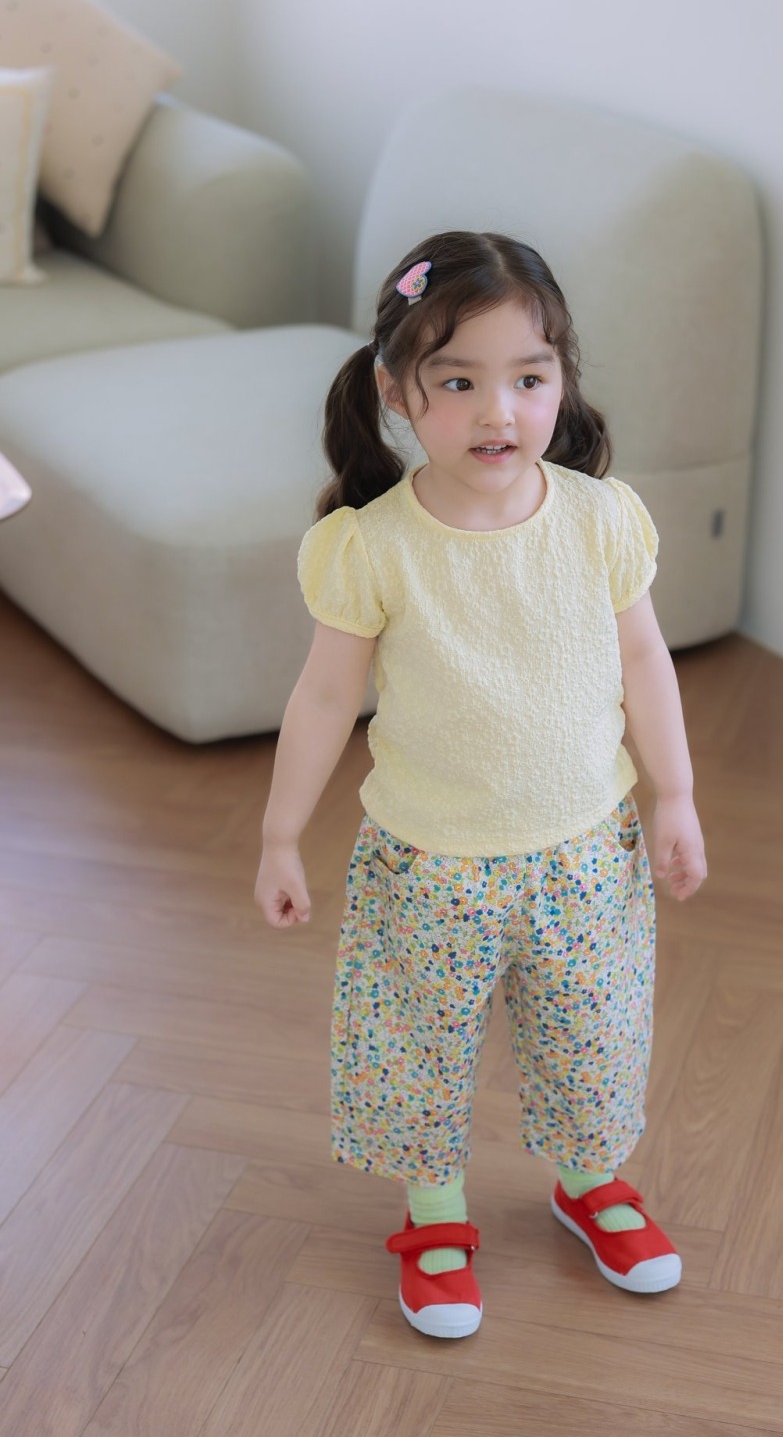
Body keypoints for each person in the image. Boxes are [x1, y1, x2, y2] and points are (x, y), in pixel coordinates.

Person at [254, 230, 707, 1339]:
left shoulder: (600, 519)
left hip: (583, 852)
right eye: (458, 383)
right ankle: (436, 1214)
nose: (498, 411)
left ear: (563, 380)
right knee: (417, 1052)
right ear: (396, 391)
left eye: (529, 379)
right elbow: (324, 699)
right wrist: (278, 836)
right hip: (429, 864)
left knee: (592, 1040)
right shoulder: (373, 547)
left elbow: (644, 660)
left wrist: (675, 794)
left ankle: (589, 1181)